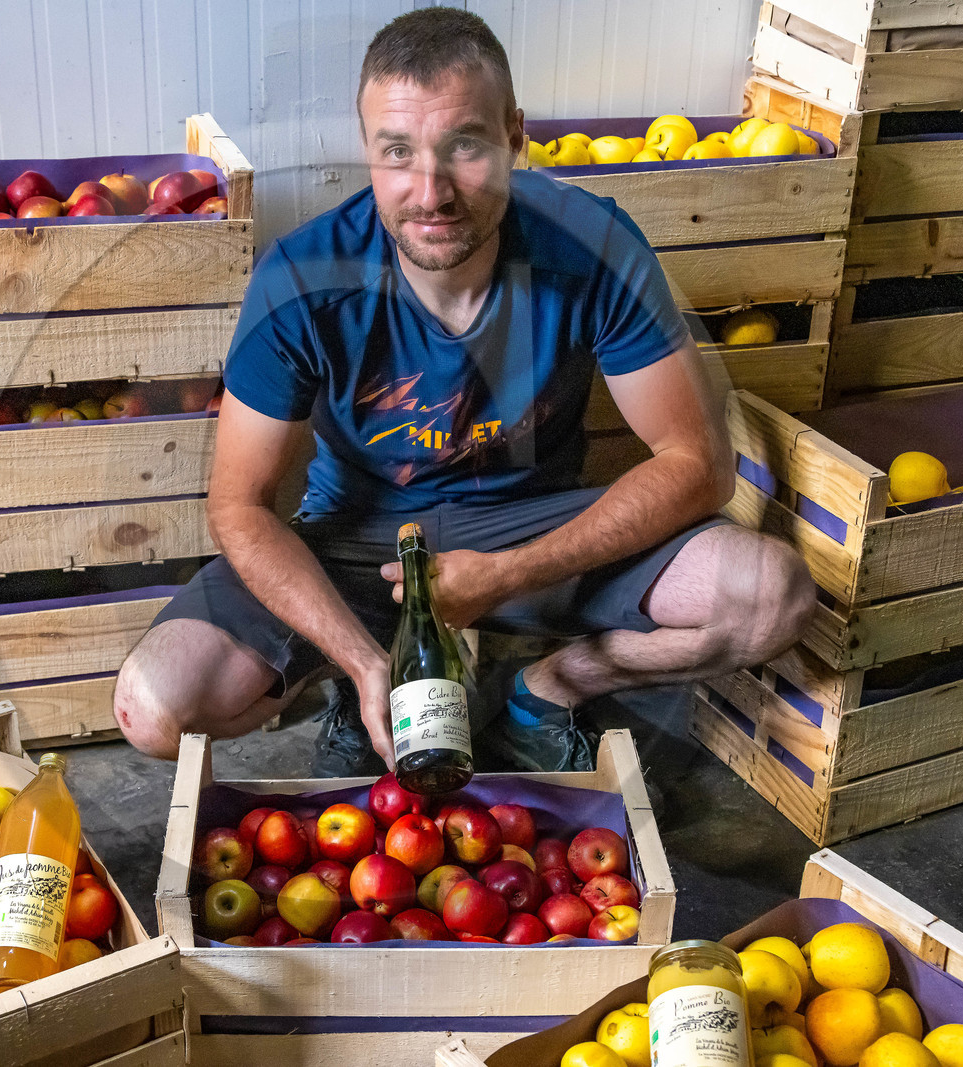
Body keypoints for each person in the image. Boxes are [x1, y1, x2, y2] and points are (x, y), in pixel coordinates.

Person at [113, 7, 815, 775]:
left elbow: (697, 464)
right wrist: (356, 656)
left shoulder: (595, 246)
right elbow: (238, 506)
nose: (430, 191)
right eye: (397, 152)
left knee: (767, 594)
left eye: (465, 146)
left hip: (533, 527)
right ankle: (365, 683)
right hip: (359, 534)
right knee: (154, 708)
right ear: (368, 152)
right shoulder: (301, 280)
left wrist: (510, 573)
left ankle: (543, 690)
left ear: (515, 136)